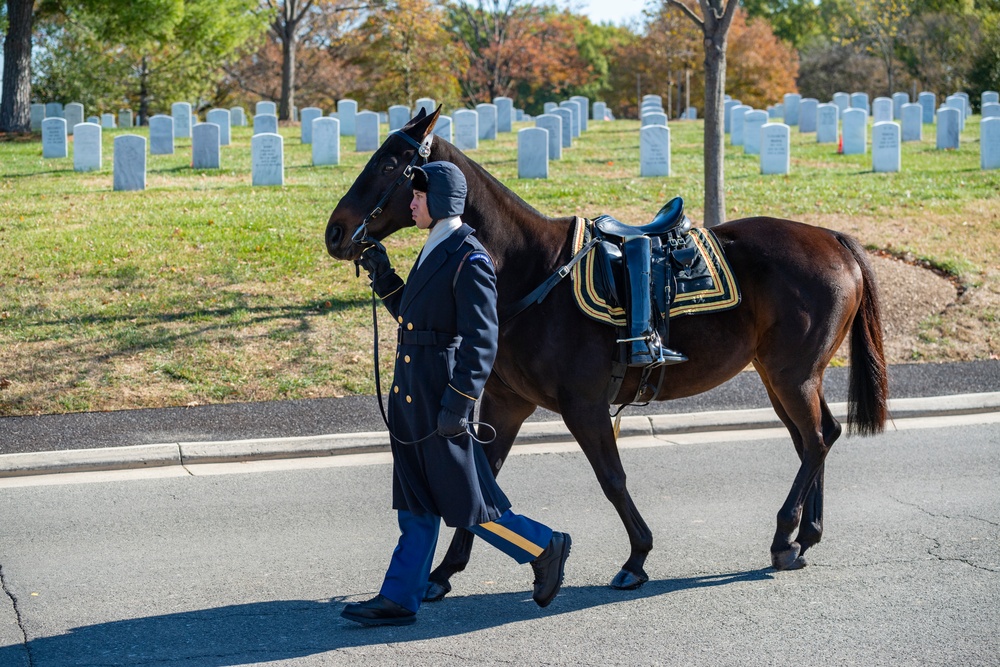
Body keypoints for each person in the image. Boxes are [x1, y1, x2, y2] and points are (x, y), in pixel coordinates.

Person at [343, 161, 572, 627]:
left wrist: (460, 401)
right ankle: (399, 597)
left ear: (443, 199)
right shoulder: (436, 245)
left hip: (440, 393)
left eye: (418, 196)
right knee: (416, 501)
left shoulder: (469, 256)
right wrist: (384, 275)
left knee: (466, 501)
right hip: (411, 392)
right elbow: (417, 318)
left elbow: (481, 340)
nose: (411, 204)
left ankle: (544, 546)